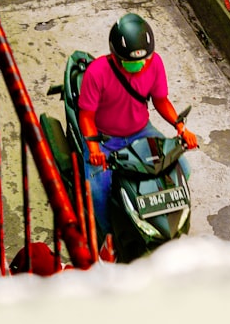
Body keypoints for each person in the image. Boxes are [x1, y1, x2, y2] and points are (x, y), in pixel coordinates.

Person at [77, 13, 198, 233]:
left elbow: (161, 100)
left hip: (142, 132)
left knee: (184, 169)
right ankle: (108, 237)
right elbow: (86, 115)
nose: (140, 66)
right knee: (97, 192)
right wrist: (93, 148)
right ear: (115, 56)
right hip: (105, 139)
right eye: (131, 63)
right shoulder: (96, 73)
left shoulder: (155, 64)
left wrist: (181, 128)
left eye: (144, 60)